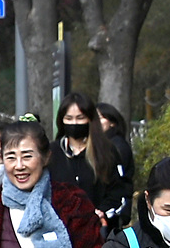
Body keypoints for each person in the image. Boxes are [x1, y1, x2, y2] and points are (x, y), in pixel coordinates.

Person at [49, 92, 133, 227]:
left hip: (97, 229)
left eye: (80, 118)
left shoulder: (107, 151)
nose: (74, 123)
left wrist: (102, 212)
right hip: (59, 229)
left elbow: (118, 190)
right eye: (69, 118)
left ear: (90, 119)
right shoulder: (52, 152)